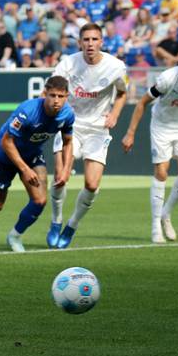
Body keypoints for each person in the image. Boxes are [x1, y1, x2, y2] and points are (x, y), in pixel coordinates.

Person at [0, 76, 75, 252]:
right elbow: (7, 142)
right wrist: (25, 170)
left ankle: (14, 236)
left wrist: (66, 170)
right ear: (44, 93)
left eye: (61, 96)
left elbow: (68, 142)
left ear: (67, 96)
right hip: (4, 156)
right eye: (52, 95)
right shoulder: (28, 110)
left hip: (32, 155)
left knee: (40, 200)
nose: (56, 101)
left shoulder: (67, 114)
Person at [121, 45, 178, 243]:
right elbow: (142, 103)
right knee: (162, 172)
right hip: (161, 126)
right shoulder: (168, 78)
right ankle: (155, 226)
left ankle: (166, 214)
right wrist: (130, 133)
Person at [47, 23, 127, 249]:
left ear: (101, 42)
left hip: (97, 129)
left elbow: (122, 93)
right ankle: (56, 221)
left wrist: (115, 113)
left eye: (94, 40)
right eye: (86, 40)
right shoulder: (68, 63)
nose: (90, 44)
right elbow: (52, 88)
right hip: (69, 126)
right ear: (79, 42)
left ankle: (71, 225)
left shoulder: (115, 67)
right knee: (60, 177)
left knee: (92, 185)